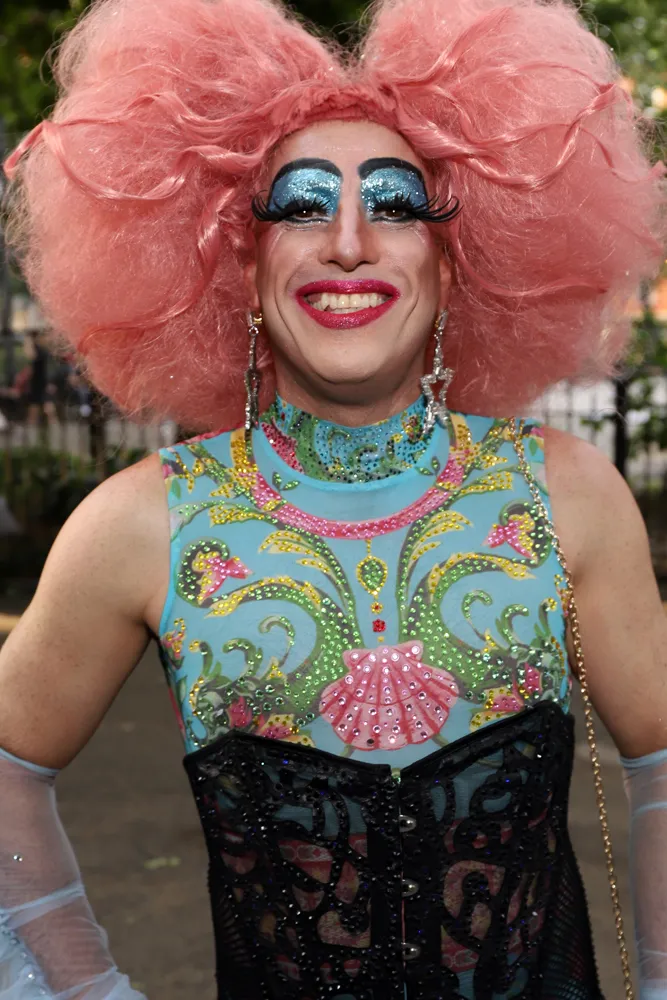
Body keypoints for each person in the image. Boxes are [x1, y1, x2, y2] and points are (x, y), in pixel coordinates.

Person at [1, 0, 666, 996]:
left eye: (396, 205)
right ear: (239, 259)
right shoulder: (144, 526)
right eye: (301, 206)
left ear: (453, 262)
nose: (348, 241)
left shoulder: (564, 495)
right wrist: (84, 986)